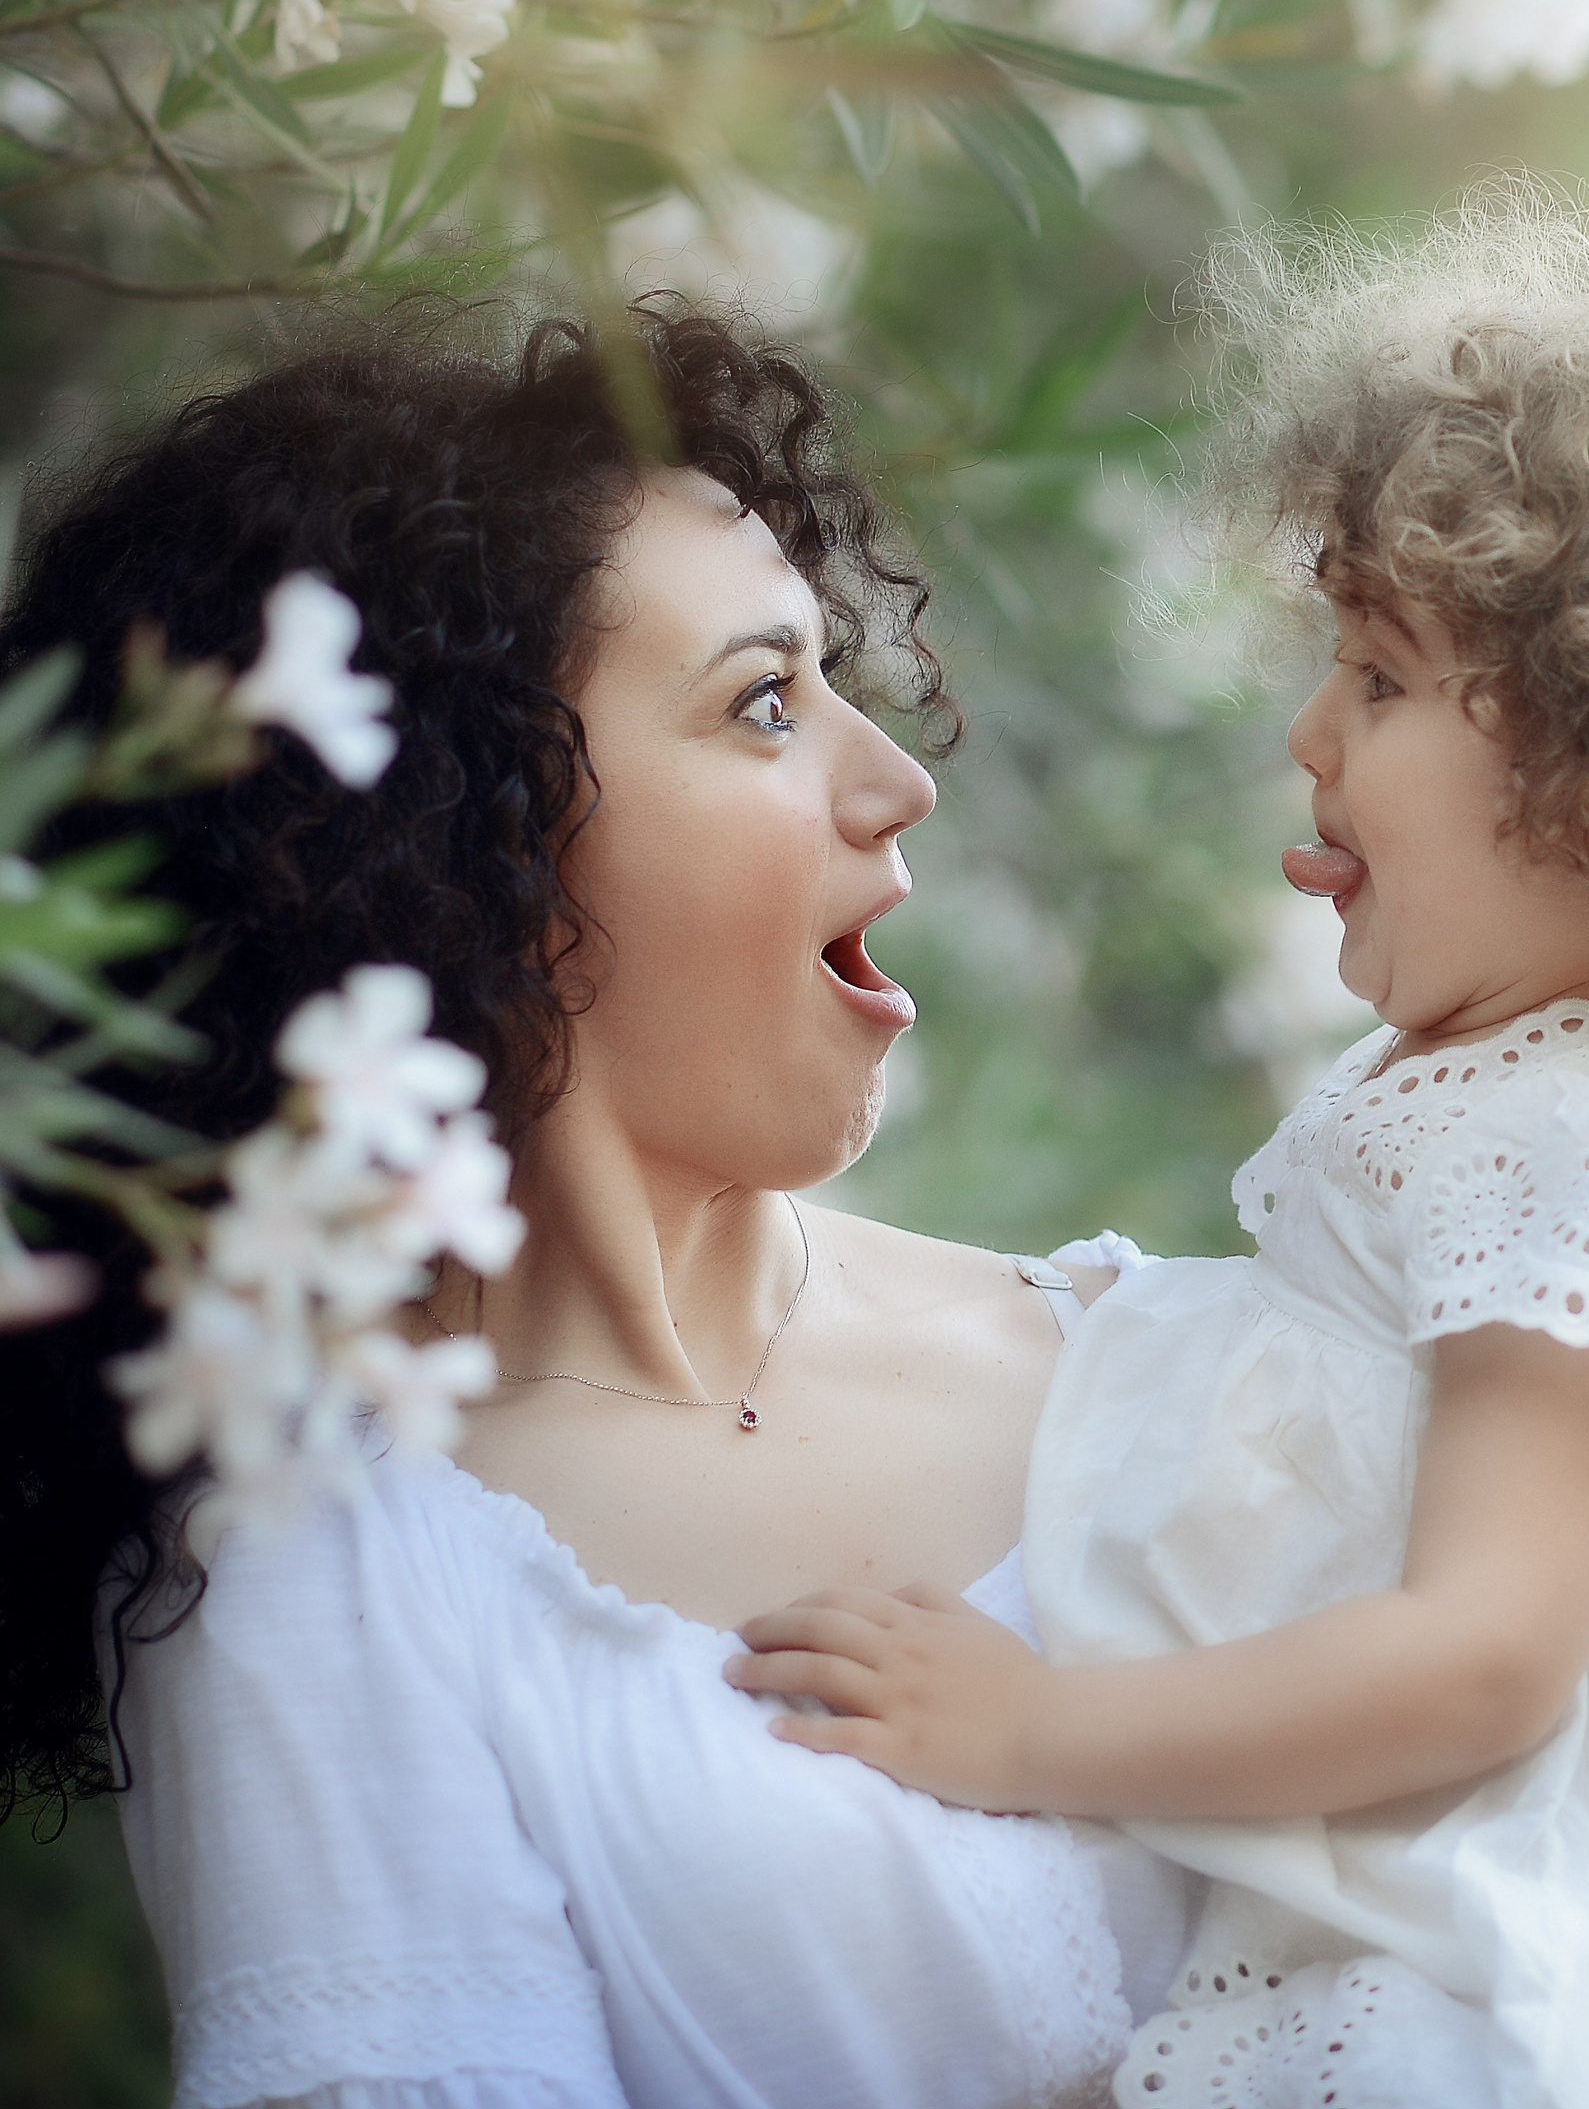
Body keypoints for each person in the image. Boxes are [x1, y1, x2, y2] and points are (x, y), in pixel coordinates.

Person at [720, 187, 1589, 2107]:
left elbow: (1484, 1659)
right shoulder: (1545, 1087)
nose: (1307, 732)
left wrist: (1041, 1730)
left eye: (1379, 678)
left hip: (1442, 2004)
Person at [0, 309, 1193, 2109]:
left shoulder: (1163, 1363)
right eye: (763, 703)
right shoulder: (325, 1575)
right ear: (455, 839)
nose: (897, 780)